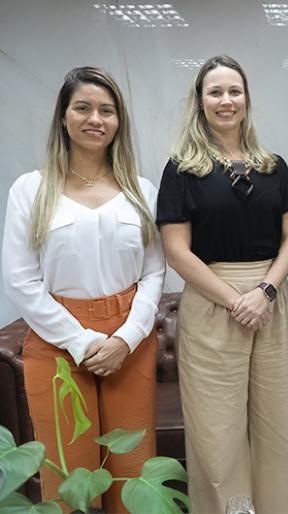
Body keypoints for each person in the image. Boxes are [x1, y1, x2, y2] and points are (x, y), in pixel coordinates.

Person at [2, 66, 164, 514]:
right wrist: (82, 340)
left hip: (130, 341)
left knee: (132, 474)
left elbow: (155, 273)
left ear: (118, 122)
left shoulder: (141, 190)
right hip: (56, 342)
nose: (96, 118)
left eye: (107, 110)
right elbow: (19, 278)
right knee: (68, 478)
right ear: (64, 117)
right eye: (84, 107)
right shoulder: (30, 190)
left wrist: (125, 339)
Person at [156, 55, 288, 514]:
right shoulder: (182, 169)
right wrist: (238, 299)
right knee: (217, 432)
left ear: (247, 99)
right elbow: (177, 250)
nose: (226, 101)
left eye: (234, 91)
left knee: (276, 426)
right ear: (200, 102)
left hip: (271, 300)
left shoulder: (273, 166)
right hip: (212, 300)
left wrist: (266, 292)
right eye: (215, 92)